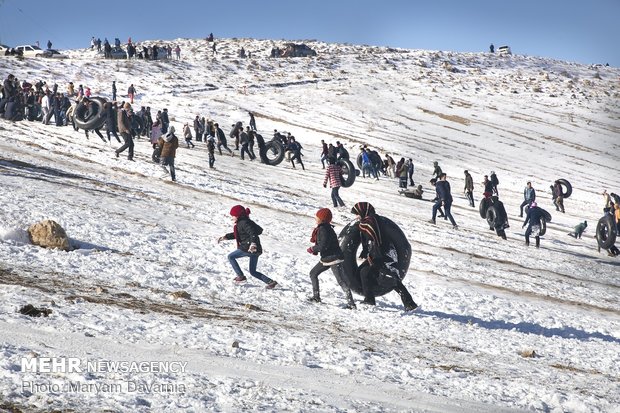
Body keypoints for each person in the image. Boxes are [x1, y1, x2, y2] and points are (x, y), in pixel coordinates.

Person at [351, 202, 417, 311]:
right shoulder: (367, 222)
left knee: (390, 278)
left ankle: (410, 303)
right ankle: (369, 299)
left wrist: (373, 256)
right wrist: (367, 251)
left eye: (357, 214)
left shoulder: (371, 223)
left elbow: (376, 241)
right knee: (364, 272)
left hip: (384, 255)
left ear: (363, 212)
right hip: (376, 254)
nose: (356, 217)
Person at [218, 205, 278, 289]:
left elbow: (252, 233)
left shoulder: (243, 222)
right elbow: (239, 234)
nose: (232, 217)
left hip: (249, 247)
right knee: (253, 272)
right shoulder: (243, 222)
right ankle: (270, 282)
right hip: (254, 250)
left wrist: (253, 244)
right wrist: (226, 237)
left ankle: (240, 276)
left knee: (231, 256)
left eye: (233, 215)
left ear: (238, 215)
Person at [306, 208, 354, 308]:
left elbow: (323, 245)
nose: (316, 218)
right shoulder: (325, 227)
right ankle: (316, 297)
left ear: (322, 219)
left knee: (341, 281)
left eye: (317, 216)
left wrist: (312, 248)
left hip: (333, 258)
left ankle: (351, 304)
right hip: (327, 258)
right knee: (313, 273)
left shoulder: (323, 229)